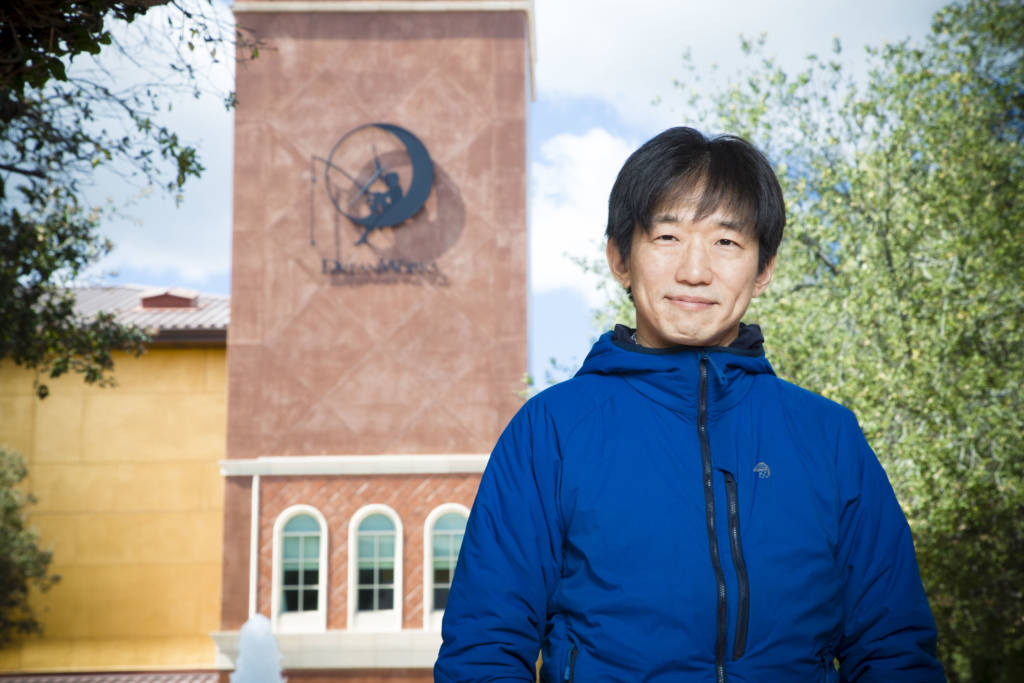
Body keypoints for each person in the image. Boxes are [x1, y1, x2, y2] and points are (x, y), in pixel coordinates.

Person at [434, 127, 945, 682]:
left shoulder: (828, 437)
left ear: (764, 268)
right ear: (620, 258)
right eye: (667, 236)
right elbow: (483, 652)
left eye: (726, 242)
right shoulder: (551, 431)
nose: (695, 271)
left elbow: (893, 652)